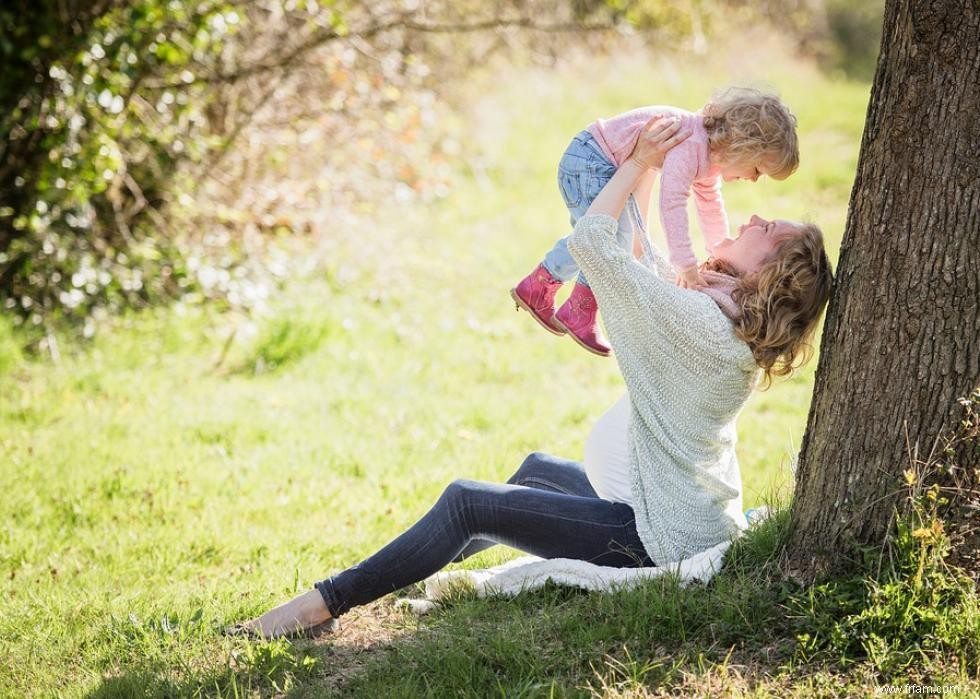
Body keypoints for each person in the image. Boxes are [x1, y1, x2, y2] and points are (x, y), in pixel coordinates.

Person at [225, 116, 833, 640]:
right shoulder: (723, 321)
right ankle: (402, 570)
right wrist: (650, 170)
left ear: (770, 275)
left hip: (654, 536)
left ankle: (319, 606)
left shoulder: (700, 324)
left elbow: (596, 242)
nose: (754, 215)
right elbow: (645, 260)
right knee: (535, 470)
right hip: (673, 509)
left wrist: (643, 160)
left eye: (770, 230)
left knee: (468, 501)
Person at [511, 87, 799, 356]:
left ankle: (541, 287)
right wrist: (685, 264)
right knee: (606, 238)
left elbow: (710, 206)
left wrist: (718, 250)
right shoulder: (693, 144)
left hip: (598, 162)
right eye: (758, 170)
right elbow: (671, 203)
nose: (752, 179)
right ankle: (577, 308)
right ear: (743, 147)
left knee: (607, 237)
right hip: (590, 161)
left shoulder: (709, 157)